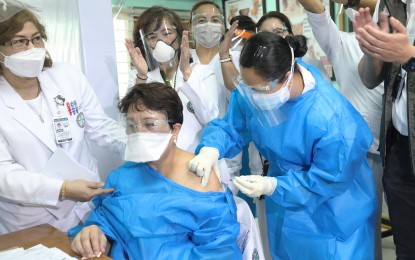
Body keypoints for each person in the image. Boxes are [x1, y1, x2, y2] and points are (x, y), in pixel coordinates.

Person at [188, 31, 377, 258]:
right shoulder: (254, 89)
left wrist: (273, 186)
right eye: (247, 87)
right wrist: (211, 148)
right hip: (285, 205)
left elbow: (327, 180)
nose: (251, 96)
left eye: (259, 90)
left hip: (333, 212)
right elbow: (231, 127)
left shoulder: (332, 120)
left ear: (287, 75)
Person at [68, 82, 242, 260]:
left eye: (150, 124)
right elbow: (105, 221)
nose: (139, 133)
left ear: (174, 130)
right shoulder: (122, 176)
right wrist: (94, 232)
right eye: (132, 126)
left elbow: (218, 251)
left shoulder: (201, 181)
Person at [0, 1, 126, 235]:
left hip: (87, 209)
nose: (32, 47)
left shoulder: (66, 76)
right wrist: (63, 189)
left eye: (37, 38)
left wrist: (138, 147)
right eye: (20, 41)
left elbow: (99, 126)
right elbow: (3, 174)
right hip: (30, 220)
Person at [295, 0, 384, 258]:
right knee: (366, 228)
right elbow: (316, 11)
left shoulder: (397, 42)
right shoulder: (340, 42)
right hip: (365, 155)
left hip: (401, 148)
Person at [354, 4, 415, 258]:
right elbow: (370, 79)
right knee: (407, 248)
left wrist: (410, 56)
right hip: (399, 151)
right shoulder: (391, 5)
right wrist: (372, 51)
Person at [255, 11, 332, 84]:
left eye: (278, 32)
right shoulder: (254, 69)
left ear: (290, 35)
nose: (272, 38)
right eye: (265, 34)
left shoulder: (311, 65)